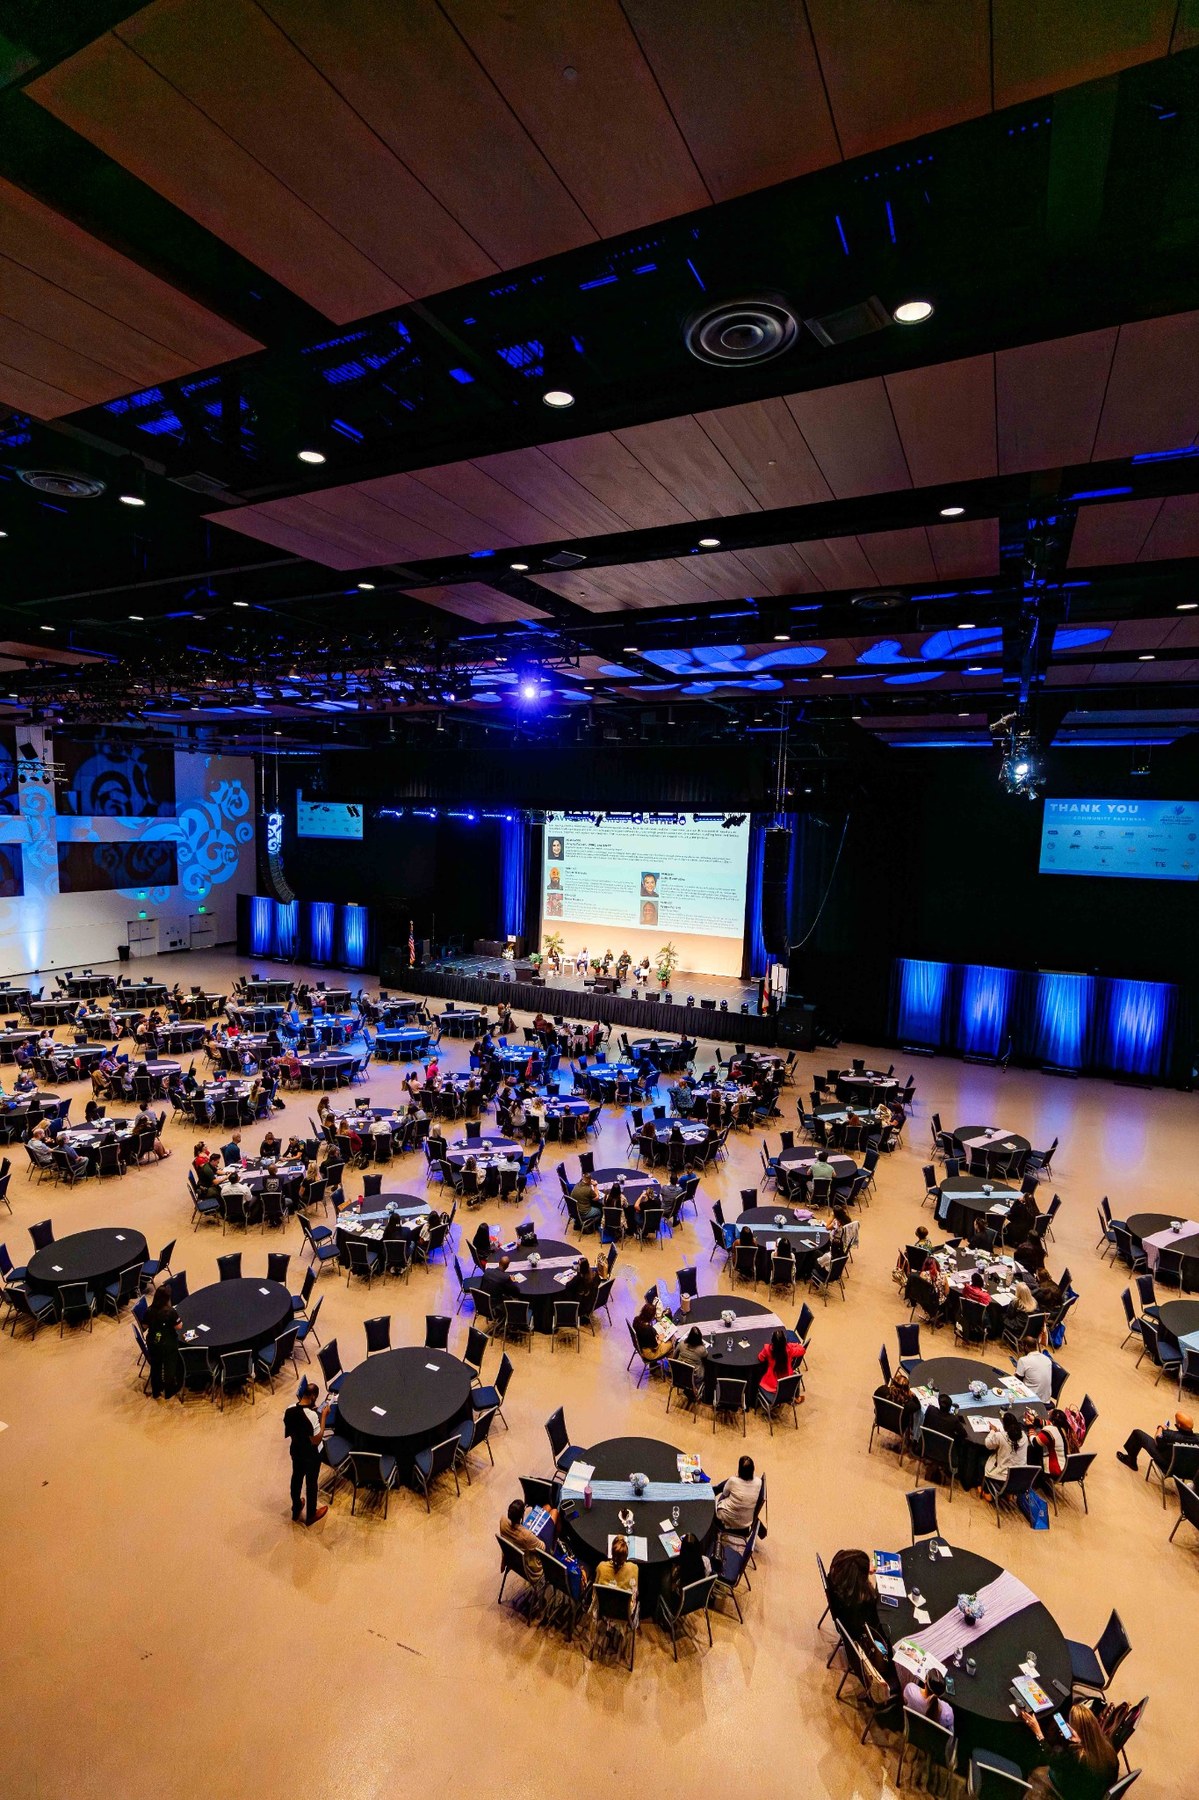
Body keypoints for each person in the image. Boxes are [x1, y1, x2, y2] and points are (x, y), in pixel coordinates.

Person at [1020, 1703, 1119, 1800]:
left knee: (1036, 1771)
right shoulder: (1107, 1744)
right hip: (1095, 1792)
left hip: (1074, 1794)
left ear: (1078, 1731)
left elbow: (1051, 1760)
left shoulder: (1077, 1756)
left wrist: (1038, 1732)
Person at [283, 1378, 329, 1526]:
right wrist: (323, 1417)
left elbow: (292, 1428)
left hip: (296, 1451)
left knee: (296, 1479)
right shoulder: (312, 1416)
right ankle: (311, 1514)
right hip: (311, 1456)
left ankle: (296, 1508)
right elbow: (316, 1439)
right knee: (311, 1483)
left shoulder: (289, 1409)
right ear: (313, 1397)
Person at [1116, 1408, 1198, 1474]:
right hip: (1187, 1471)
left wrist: (1161, 1428)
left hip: (1168, 1465)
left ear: (1179, 1425)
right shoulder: (1197, 1438)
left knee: (1137, 1433)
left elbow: (1157, 1441)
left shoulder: (1170, 1435)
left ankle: (1131, 1461)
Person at [825, 1548, 880, 1641]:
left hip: (844, 1618)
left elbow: (843, 1555)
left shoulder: (836, 1575)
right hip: (859, 1634)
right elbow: (874, 1624)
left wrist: (865, 1568)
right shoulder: (859, 1604)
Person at [500, 1496, 557, 1579]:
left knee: (547, 1507)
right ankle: (554, 1546)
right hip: (533, 1566)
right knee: (554, 1512)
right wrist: (534, 1536)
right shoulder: (526, 1535)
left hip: (517, 1554)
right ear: (521, 1516)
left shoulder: (503, 1522)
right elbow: (542, 1547)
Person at [144, 1284, 184, 1399]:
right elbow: (179, 1326)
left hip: (153, 1344)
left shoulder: (149, 1310)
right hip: (168, 1345)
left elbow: (145, 1326)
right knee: (169, 1367)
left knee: (155, 1366)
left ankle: (156, 1391)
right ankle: (169, 1390)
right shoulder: (170, 1312)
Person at [715, 1454, 763, 1539]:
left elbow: (725, 1494)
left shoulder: (733, 1481)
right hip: (745, 1525)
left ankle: (712, 1491)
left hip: (728, 1520)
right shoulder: (759, 1482)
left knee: (724, 1490)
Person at [660, 1530, 710, 1609]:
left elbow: (669, 1587)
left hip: (679, 1604)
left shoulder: (678, 1571)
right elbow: (708, 1573)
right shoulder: (705, 1561)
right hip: (699, 1598)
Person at [757, 1326, 804, 1398]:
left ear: (772, 1341)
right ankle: (797, 1398)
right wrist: (792, 1345)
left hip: (771, 1384)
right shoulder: (789, 1350)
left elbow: (761, 1358)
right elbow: (802, 1350)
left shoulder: (767, 1349)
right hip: (786, 1382)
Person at [903, 1667, 954, 1732]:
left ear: (924, 1681)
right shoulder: (947, 1712)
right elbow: (950, 1732)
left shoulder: (910, 1690)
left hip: (911, 1731)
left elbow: (904, 1700)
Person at [983, 1410, 1028, 1483]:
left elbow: (988, 1444)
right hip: (1019, 1476)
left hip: (1002, 1476)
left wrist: (992, 1431)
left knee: (984, 1460)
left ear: (1004, 1426)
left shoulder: (1000, 1436)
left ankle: (985, 1489)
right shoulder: (1024, 1436)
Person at [1014, 1334, 1054, 1403]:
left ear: (1025, 1347)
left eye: (1021, 1346)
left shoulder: (1023, 1360)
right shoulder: (1047, 1359)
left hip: (1031, 1399)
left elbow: (1017, 1380)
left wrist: (1017, 1371)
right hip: (1046, 1400)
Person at [632, 1298, 670, 1366]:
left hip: (641, 1346)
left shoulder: (636, 1320)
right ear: (651, 1317)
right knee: (670, 1344)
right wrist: (660, 1340)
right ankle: (671, 1369)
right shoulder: (648, 1330)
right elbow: (655, 1347)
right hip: (649, 1353)